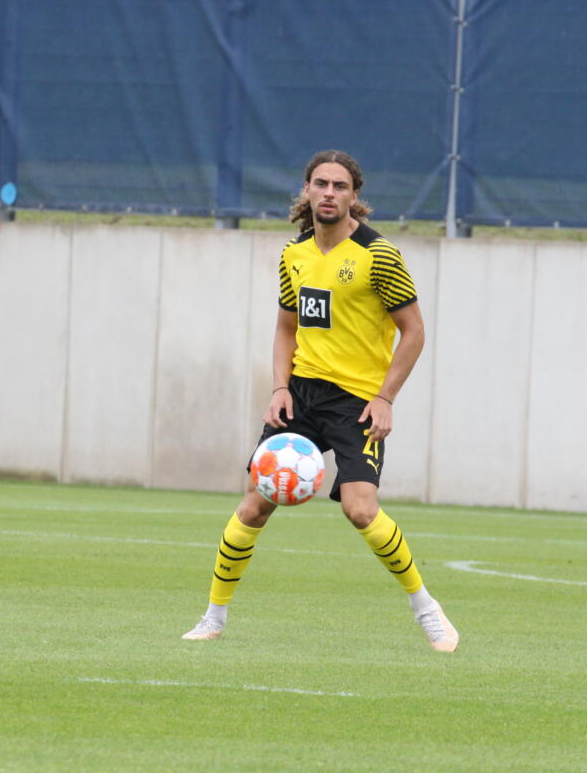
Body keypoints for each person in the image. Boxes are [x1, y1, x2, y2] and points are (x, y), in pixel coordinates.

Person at [182, 150, 459, 653]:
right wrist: (280, 389)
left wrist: (385, 398)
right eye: (320, 184)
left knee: (359, 509)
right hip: (303, 395)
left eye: (339, 186)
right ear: (306, 192)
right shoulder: (294, 254)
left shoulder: (379, 255)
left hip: (356, 402)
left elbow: (414, 332)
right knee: (253, 505)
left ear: (355, 196)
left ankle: (427, 609)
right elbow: (286, 328)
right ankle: (212, 617)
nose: (329, 193)